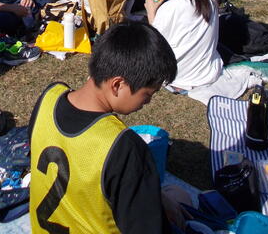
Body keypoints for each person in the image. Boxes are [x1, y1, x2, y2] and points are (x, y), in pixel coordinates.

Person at [28, 21, 176, 234]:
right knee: (179, 195)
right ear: (117, 85)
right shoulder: (123, 147)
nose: (148, 102)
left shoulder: (49, 97)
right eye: (147, 94)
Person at [145, 0, 223, 92]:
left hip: (178, 75)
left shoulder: (172, 7)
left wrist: (151, 11)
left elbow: (156, 43)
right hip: (207, 72)